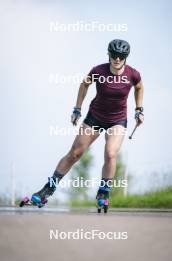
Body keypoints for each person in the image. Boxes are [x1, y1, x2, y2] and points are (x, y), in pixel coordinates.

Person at [30, 39, 144, 210]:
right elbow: (84, 84)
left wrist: (139, 109)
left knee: (111, 154)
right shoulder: (98, 70)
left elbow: (139, 87)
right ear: (109, 55)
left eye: (121, 56)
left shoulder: (133, 74)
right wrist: (77, 109)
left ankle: (104, 192)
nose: (117, 59)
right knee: (74, 154)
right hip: (95, 117)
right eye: (114, 55)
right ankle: (47, 189)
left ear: (126, 57)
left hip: (117, 120)